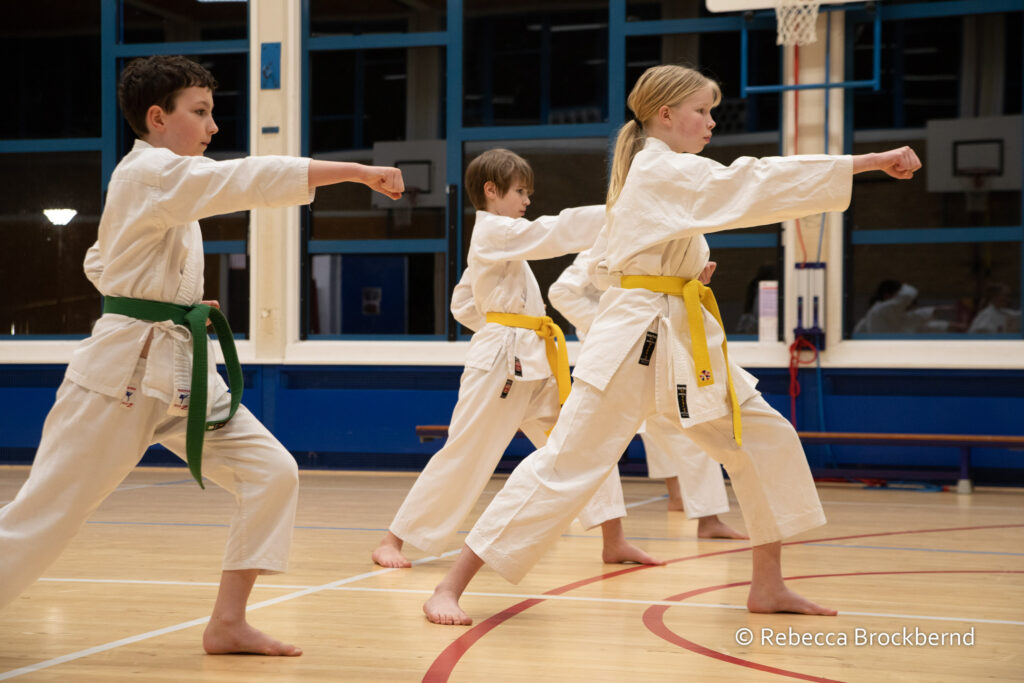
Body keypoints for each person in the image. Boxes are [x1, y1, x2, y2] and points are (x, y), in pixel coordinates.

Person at [422, 64, 921, 625]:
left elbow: (613, 261)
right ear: (665, 115)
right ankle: (450, 586)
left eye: (712, 111)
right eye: (702, 111)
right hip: (636, 341)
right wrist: (865, 162)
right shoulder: (658, 169)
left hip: (681, 338)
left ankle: (768, 584)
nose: (711, 122)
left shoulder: (658, 173)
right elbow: (748, 182)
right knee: (565, 466)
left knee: (765, 440)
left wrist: (680, 271)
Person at [0, 55, 404, 656]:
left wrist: (173, 299)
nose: (214, 127)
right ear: (158, 118)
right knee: (48, 511)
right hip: (123, 377)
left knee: (272, 472)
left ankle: (228, 622)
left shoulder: (164, 184)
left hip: (183, 369)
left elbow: (100, 260)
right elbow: (246, 179)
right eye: (201, 112)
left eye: (213, 113)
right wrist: (351, 171)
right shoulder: (150, 174)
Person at [372, 149, 661, 571]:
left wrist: (500, 321)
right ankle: (392, 541)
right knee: (466, 452)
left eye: (528, 192)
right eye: (520, 191)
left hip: (534, 359)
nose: (527, 200)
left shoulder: (500, 242)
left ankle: (613, 539)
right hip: (502, 363)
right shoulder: (494, 233)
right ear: (491, 191)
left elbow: (462, 303)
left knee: (586, 439)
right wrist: (620, 210)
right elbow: (556, 231)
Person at [548, 247, 746, 539]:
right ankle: (606, 531)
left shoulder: (659, 240)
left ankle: (707, 516)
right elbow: (561, 291)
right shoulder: (607, 240)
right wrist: (606, 322)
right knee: (594, 444)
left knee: (683, 431)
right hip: (617, 351)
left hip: (658, 342)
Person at [853, 280, 952, 334]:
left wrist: (937, 311)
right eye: (898, 295)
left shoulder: (893, 317)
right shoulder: (879, 310)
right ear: (887, 296)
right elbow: (908, 295)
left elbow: (914, 318)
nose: (906, 305)